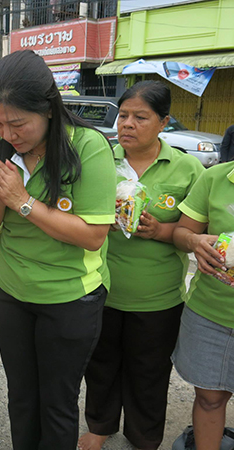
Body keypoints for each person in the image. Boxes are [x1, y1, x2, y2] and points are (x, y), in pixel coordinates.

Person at [0, 50, 116, 449]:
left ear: (49, 108)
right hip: (11, 294)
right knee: (21, 396)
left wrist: (21, 200)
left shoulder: (87, 146)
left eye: (18, 124)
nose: (8, 134)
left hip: (70, 298)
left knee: (57, 402)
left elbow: (93, 235)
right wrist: (0, 195)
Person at [78, 81, 205, 450]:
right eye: (123, 115)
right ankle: (100, 425)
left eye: (140, 117)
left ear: (163, 122)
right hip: (102, 287)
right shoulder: (101, 159)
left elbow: (196, 231)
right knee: (100, 364)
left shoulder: (186, 168)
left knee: (149, 371)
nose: (127, 124)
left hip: (157, 297)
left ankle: (144, 436)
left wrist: (159, 230)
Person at [171, 161, 234, 448]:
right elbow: (182, 232)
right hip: (210, 314)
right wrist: (196, 241)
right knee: (210, 399)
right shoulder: (216, 177)